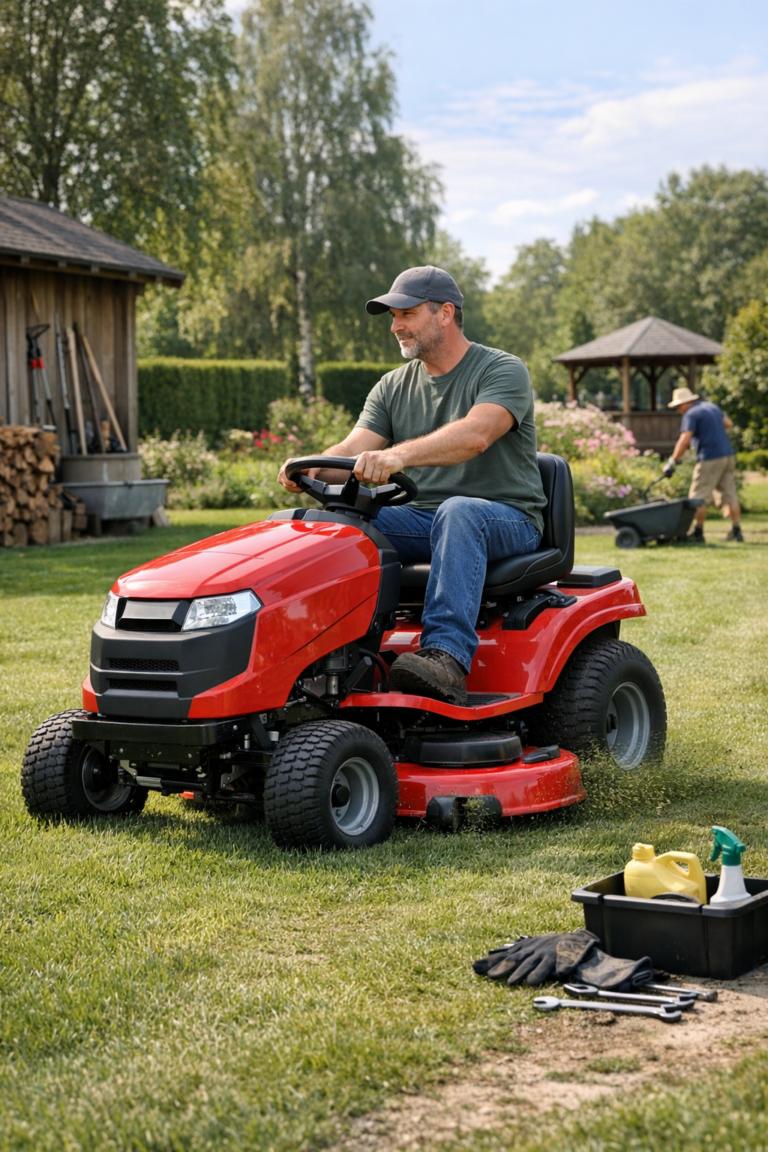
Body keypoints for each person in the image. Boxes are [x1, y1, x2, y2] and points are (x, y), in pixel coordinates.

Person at [278, 265, 546, 706]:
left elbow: (477, 434)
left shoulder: (502, 369)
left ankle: (446, 658)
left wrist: (399, 455)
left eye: (406, 313)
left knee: (459, 512)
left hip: (506, 518)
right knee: (335, 526)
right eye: (392, 316)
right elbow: (353, 448)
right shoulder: (392, 386)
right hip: (424, 520)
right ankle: (324, 655)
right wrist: (308, 468)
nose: (396, 326)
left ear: (444, 313)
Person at [663, 386, 743, 543]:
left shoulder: (691, 413)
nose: (678, 409)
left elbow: (684, 440)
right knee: (730, 495)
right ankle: (736, 531)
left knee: (698, 497)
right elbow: (728, 423)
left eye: (678, 406)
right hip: (727, 456)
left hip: (709, 458)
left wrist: (672, 461)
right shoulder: (712, 407)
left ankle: (698, 533)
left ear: (685, 403)